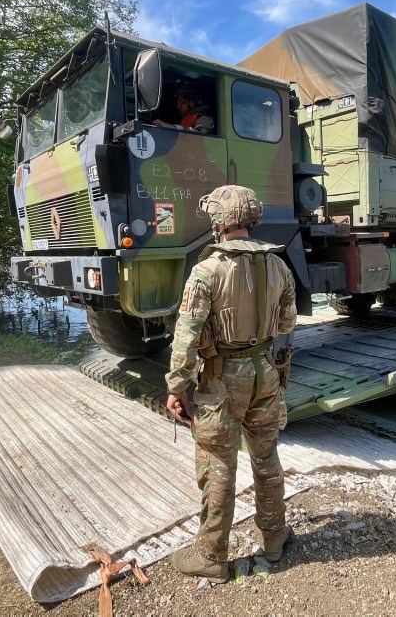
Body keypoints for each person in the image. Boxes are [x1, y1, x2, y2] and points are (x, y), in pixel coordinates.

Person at [165, 185, 297, 583]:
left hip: (222, 380)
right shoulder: (279, 265)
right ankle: (274, 539)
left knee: (218, 464)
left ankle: (212, 555)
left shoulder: (206, 271)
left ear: (218, 221)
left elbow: (186, 336)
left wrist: (176, 386)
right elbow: (287, 322)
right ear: (253, 219)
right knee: (266, 457)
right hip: (266, 372)